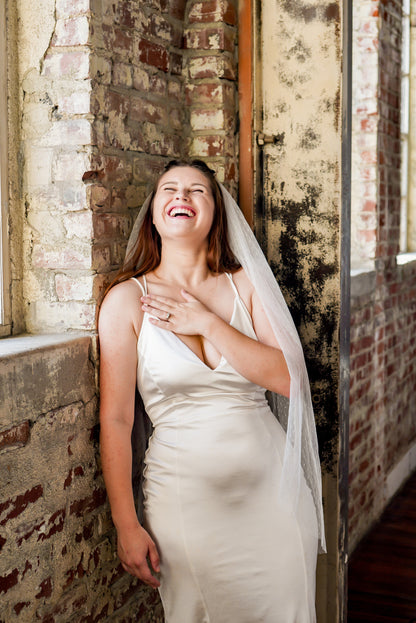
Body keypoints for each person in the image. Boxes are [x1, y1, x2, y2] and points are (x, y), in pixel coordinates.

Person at [98, 159, 325, 623]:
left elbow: (289, 379)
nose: (182, 196)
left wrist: (207, 323)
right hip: (186, 505)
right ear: (154, 213)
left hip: (275, 501)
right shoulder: (126, 301)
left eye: (197, 190)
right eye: (170, 190)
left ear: (216, 213)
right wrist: (126, 523)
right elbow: (117, 420)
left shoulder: (247, 286)